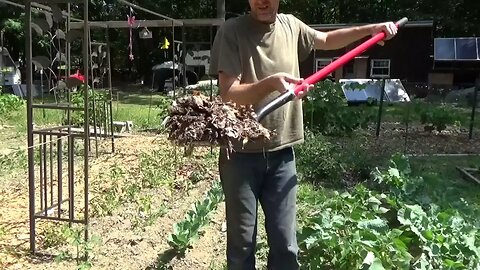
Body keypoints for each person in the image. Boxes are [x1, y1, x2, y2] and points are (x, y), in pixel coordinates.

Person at [209, 1, 398, 269]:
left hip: (282, 157)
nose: (263, 1)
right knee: (241, 248)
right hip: (240, 157)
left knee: (286, 246)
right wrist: (271, 83)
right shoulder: (232, 31)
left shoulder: (290, 25)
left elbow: (327, 39)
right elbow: (228, 93)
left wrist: (372, 29)